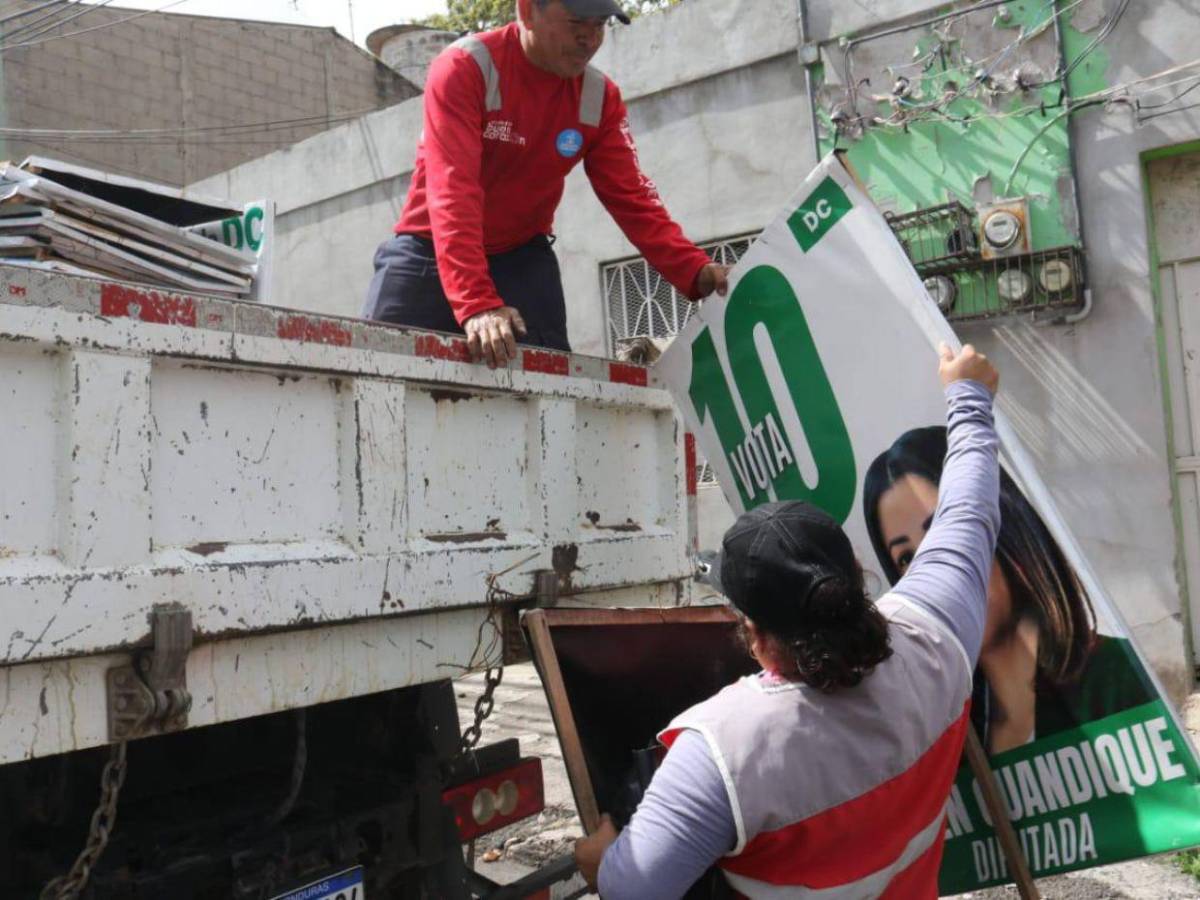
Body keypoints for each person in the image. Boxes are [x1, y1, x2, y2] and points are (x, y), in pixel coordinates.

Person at [575, 344, 1002, 899]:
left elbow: (634, 889)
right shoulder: (936, 638)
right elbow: (969, 511)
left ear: (752, 633)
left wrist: (598, 859)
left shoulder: (721, 754)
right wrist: (968, 396)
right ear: (854, 572)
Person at [363, 0, 729, 368]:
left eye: (600, 25)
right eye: (576, 24)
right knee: (375, 367)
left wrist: (695, 271)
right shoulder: (465, 67)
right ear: (526, 12)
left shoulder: (599, 99)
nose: (589, 39)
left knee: (550, 393)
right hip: (429, 251)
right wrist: (477, 302)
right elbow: (453, 189)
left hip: (521, 257)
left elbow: (632, 197)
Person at [863, 425, 1153, 755]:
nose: (940, 570)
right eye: (908, 559)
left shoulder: (1116, 678)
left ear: (1003, 520)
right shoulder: (948, 734)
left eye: (948, 533)